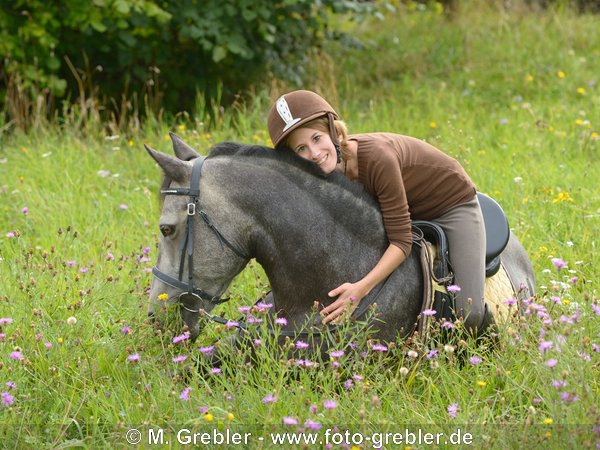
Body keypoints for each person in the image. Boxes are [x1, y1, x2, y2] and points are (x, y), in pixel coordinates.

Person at [267, 90, 492, 335]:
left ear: (333, 130)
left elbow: (402, 241)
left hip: (449, 204)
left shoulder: (377, 158)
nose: (314, 153)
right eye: (301, 148)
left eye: (317, 138)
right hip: (398, 206)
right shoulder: (317, 176)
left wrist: (360, 289)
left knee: (468, 315)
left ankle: (488, 339)